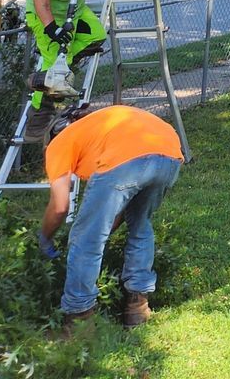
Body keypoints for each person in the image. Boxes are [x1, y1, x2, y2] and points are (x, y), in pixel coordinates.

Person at [37, 102, 186, 331]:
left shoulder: (59, 143)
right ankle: (137, 307)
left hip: (127, 161)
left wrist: (44, 238)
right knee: (140, 226)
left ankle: (78, 320)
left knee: (85, 239)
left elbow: (59, 207)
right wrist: (103, 230)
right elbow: (116, 212)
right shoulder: (101, 126)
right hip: (169, 155)